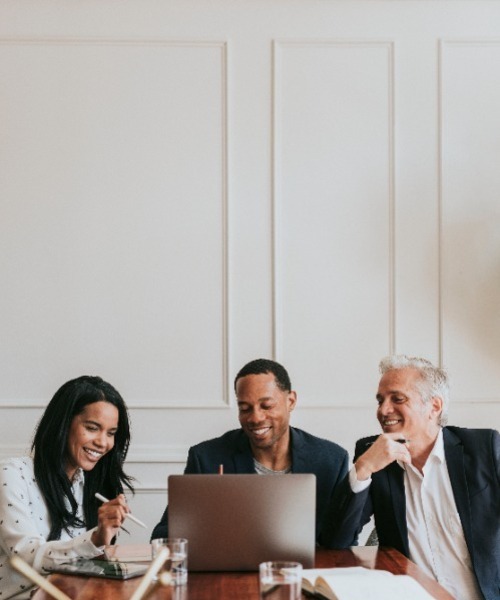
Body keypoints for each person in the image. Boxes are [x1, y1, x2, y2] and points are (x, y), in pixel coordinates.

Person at [326, 355, 499, 600]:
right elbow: (336, 540)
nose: (384, 410)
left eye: (398, 399)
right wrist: (363, 468)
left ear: (434, 407)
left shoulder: (483, 449)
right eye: (380, 400)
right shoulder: (373, 455)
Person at [151, 358, 349, 545]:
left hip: (301, 574)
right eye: (245, 408)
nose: (255, 418)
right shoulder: (206, 458)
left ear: (291, 401)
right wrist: (207, 521)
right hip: (230, 574)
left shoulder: (331, 460)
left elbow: (342, 541)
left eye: (267, 406)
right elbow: (162, 536)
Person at [0, 375, 135, 600]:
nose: (103, 442)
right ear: (63, 423)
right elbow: (25, 557)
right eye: (92, 428)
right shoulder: (12, 474)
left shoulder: (90, 484)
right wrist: (94, 540)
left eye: (111, 433)